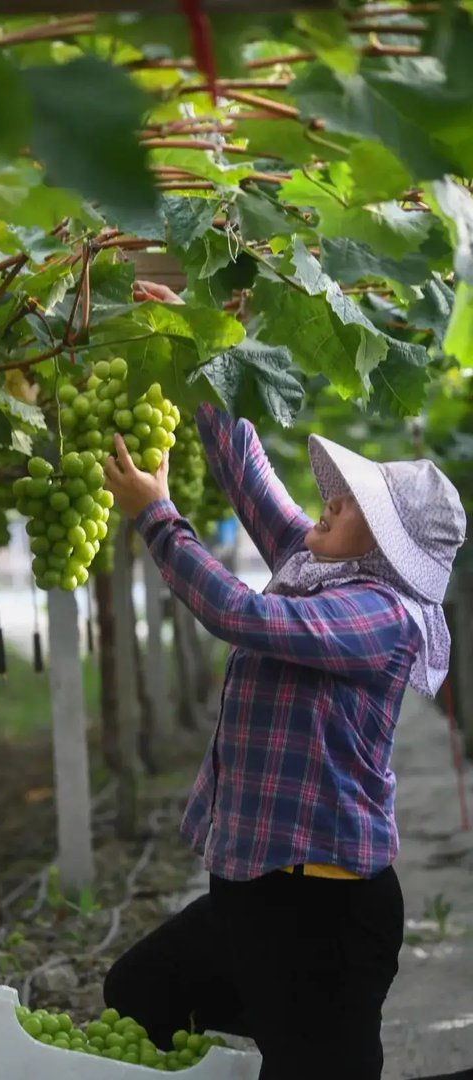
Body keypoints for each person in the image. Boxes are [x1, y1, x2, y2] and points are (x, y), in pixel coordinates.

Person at [101, 280, 468, 1080]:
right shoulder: (316, 561)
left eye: (351, 502)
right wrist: (210, 350)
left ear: (387, 549)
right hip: (255, 889)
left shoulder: (385, 619)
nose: (330, 499)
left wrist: (157, 518)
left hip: (324, 912)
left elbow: (246, 617)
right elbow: (245, 472)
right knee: (139, 994)